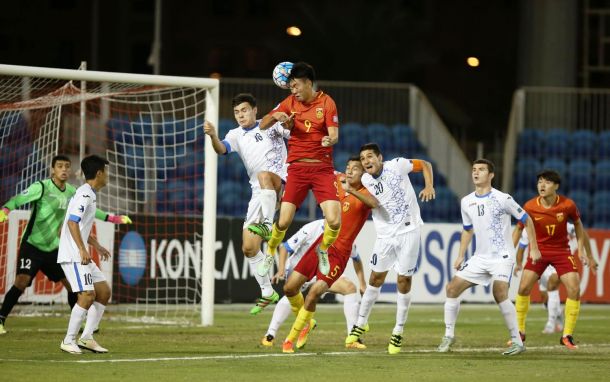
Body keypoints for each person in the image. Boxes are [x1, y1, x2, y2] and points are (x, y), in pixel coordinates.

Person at [0, 155, 131, 335]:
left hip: (54, 247)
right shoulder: (41, 187)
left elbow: (92, 211)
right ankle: (0, 319)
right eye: (60, 166)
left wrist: (113, 218)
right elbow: (17, 200)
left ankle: (77, 323)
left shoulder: (72, 191)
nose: (64, 169)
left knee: (71, 285)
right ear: (53, 170)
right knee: (21, 282)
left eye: (67, 166)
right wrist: (5, 210)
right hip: (32, 245)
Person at [436, 159, 541, 356]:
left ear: (491, 175)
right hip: (480, 257)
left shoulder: (503, 198)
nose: (476, 173)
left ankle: (517, 341)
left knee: (499, 291)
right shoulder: (466, 201)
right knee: (452, 289)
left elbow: (527, 220)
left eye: (481, 170)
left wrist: (533, 248)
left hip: (502, 256)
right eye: (474, 169)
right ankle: (448, 335)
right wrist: (460, 255)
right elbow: (467, 230)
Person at [203, 93, 290, 315]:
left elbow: (291, 130)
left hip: (281, 183)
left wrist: (286, 120)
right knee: (249, 247)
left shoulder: (270, 125)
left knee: (263, 175)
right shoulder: (235, 134)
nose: (240, 115)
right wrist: (213, 135)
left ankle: (268, 225)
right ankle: (267, 290)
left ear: (254, 110)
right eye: (237, 112)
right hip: (259, 193)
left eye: (244, 110)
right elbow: (222, 149)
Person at [252, 62, 341, 277]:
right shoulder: (289, 102)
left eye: (296, 86)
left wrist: (330, 140)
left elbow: (334, 134)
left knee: (335, 220)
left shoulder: (327, 102)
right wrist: (276, 116)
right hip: (298, 170)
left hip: (322, 169)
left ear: (308, 83)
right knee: (283, 221)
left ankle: (323, 249)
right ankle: (271, 251)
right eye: (290, 86)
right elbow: (262, 125)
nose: (293, 90)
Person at [345, 143, 434, 355]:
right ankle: (360, 323)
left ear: (380, 157)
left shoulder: (398, 165)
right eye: (363, 158)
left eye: (370, 157)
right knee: (375, 279)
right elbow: (374, 203)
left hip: (409, 232)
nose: (366, 161)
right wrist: (352, 190)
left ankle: (398, 330)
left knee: (404, 280)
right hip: (385, 236)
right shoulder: (366, 179)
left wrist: (429, 185)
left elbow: (425, 164)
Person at [281, 157, 377, 353]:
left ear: (363, 174)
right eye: (348, 168)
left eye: (355, 169)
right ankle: (307, 322)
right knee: (289, 288)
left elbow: (374, 203)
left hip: (339, 254)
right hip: (321, 246)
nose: (350, 172)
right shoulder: (339, 180)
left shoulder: (365, 194)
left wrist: (350, 190)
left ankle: (290, 338)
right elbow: (321, 172)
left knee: (314, 292)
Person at [513, 170, 597, 350]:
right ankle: (519, 331)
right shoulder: (530, 206)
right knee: (523, 287)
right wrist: (507, 254)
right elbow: (519, 230)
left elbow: (578, 225)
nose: (542, 186)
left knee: (574, 288)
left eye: (547, 182)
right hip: (539, 252)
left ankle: (567, 335)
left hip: (561, 252)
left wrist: (582, 251)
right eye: (540, 182)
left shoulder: (567, 205)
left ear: (556, 186)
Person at [260, 218, 367, 348]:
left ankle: (352, 337)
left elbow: (356, 259)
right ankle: (270, 334)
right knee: (290, 293)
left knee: (349, 288)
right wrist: (281, 270)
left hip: (322, 272)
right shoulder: (311, 228)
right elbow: (285, 247)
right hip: (301, 269)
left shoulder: (343, 234)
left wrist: (362, 283)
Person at [58, 155, 118, 354]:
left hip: (80, 252)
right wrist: (83, 249)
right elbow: (72, 223)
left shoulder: (89, 194)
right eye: (106, 172)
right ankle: (68, 340)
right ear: (99, 173)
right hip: (74, 255)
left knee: (103, 292)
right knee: (87, 295)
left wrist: (96, 245)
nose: (107, 176)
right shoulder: (84, 195)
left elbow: (81, 226)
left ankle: (87, 338)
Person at [513, 223, 586, 334]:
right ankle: (558, 314)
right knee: (545, 300)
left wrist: (582, 248)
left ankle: (551, 323)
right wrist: (518, 264)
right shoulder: (528, 229)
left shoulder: (560, 222)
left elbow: (579, 231)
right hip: (540, 264)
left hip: (558, 262)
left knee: (552, 284)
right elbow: (521, 248)